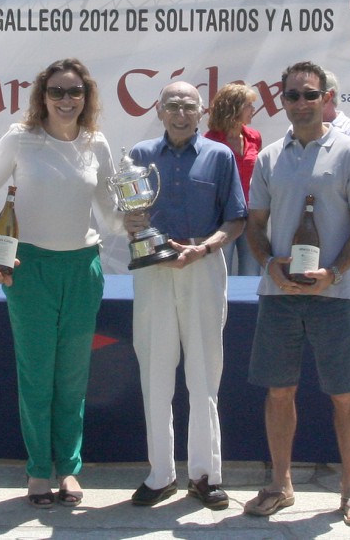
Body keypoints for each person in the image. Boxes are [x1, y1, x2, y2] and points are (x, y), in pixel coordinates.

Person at [243, 61, 350, 526]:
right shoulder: (269, 158)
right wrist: (268, 266)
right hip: (279, 294)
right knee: (279, 391)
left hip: (334, 295)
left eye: (310, 94)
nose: (301, 103)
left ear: (326, 99)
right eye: (293, 95)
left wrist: (335, 272)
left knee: (344, 394)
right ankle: (281, 484)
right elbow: (254, 227)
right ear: (282, 101)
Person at [0, 58, 119, 509]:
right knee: (37, 373)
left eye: (75, 91)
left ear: (87, 96)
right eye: (57, 91)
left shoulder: (96, 143)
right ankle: (39, 469)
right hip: (29, 268)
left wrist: (139, 220)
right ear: (42, 96)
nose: (66, 100)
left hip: (83, 268)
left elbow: (112, 210)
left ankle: (69, 469)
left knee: (73, 375)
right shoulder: (21, 138)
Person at [123, 81, 247, 510]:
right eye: (172, 106)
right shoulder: (139, 156)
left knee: (204, 376)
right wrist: (135, 227)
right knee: (155, 374)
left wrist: (206, 247)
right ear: (159, 110)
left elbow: (235, 219)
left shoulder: (219, 156)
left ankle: (205, 475)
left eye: (188, 107)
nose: (180, 114)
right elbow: (129, 215)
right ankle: (160, 474)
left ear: (201, 112)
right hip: (153, 270)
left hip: (203, 265)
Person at [203, 82, 263, 276]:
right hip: (223, 218)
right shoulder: (209, 140)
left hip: (251, 215)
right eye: (248, 105)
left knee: (251, 272)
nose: (253, 110)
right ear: (234, 108)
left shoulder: (254, 137)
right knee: (222, 272)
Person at [323, 70, 350, 142]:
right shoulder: (300, 125)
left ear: (330, 95)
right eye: (296, 96)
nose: (304, 101)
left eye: (311, 95)